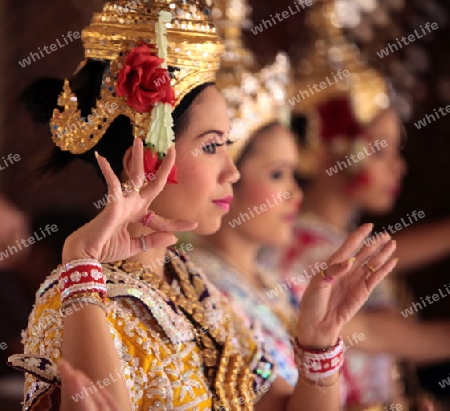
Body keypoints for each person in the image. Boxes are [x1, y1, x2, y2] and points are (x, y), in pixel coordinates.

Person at [8, 1, 398, 410]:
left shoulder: (193, 287)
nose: (231, 171)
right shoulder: (74, 299)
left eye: (226, 146)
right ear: (145, 160)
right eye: (211, 146)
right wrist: (80, 264)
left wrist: (319, 350)